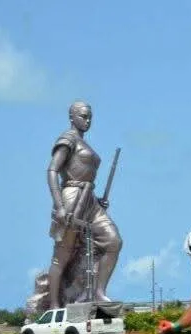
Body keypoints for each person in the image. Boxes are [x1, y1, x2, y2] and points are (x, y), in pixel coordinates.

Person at [46, 101, 123, 308]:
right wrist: (59, 206)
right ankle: (54, 305)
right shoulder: (67, 139)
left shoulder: (84, 142)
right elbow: (52, 171)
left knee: (113, 241)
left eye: (90, 117)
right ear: (72, 117)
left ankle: (98, 292)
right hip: (71, 197)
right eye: (83, 116)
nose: (87, 120)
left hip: (90, 198)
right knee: (61, 256)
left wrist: (97, 201)